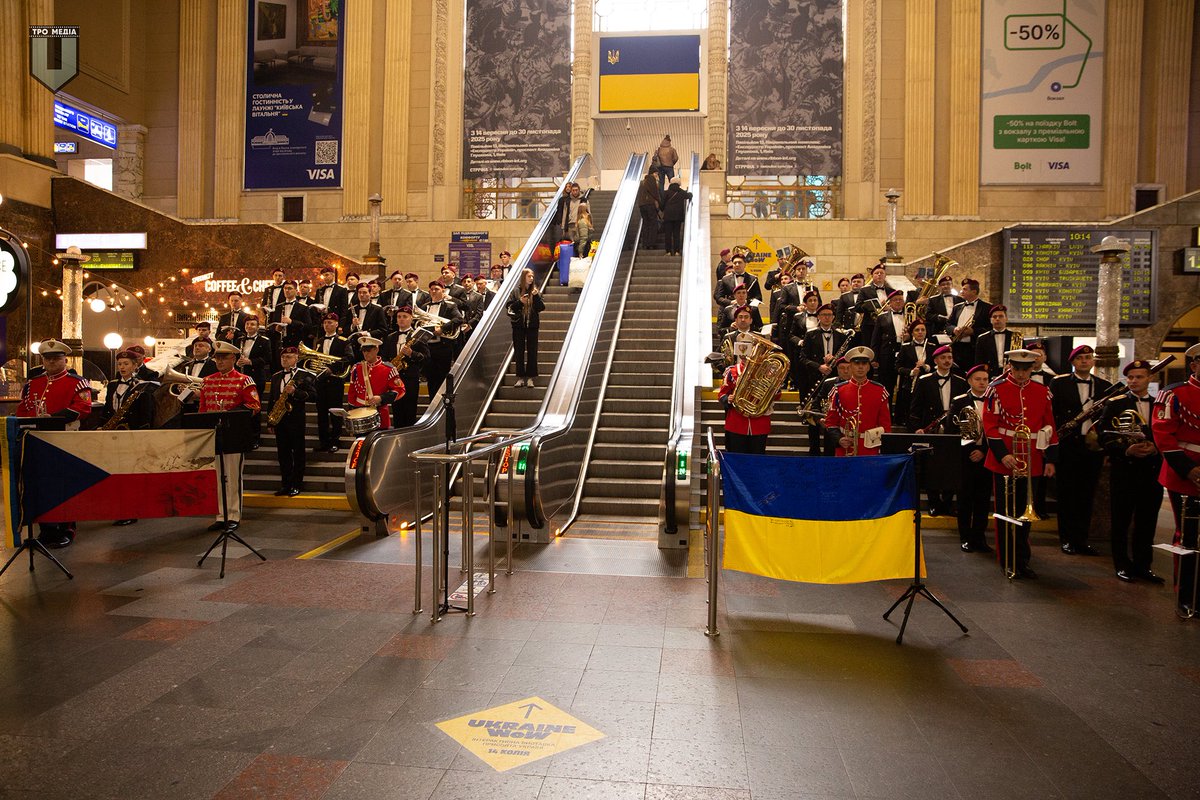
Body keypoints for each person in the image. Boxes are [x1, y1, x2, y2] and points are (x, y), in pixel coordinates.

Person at [983, 349, 1057, 579]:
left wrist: (1051, 459)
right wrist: (1002, 454)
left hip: (1032, 458)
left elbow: (1049, 426)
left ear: (1032, 369)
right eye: (1017, 369)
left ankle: (1022, 559)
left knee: (1025, 514)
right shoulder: (996, 390)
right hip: (1005, 458)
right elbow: (990, 426)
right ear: (1010, 367)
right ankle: (1006, 559)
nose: (1022, 374)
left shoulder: (1042, 391)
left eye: (1026, 369)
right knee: (1006, 512)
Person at [15, 340, 93, 548]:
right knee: (39, 485)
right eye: (47, 358)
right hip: (35, 441)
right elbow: (23, 409)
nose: (51, 361)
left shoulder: (78, 382)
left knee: (63, 485)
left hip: (62, 441)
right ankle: (45, 529)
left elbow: (83, 409)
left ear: (65, 360)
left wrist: (52, 418)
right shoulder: (33, 383)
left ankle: (65, 529)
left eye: (56, 358)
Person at [1098, 360, 1164, 583]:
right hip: (1125, 470)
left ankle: (1144, 566)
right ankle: (1121, 564)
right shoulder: (1116, 404)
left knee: (1147, 521)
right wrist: (1127, 449)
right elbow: (1104, 437)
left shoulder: (1159, 404)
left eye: (1139, 377)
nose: (1134, 381)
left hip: (1152, 471)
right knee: (1121, 520)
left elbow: (1166, 434)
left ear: (1149, 379)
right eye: (1131, 377)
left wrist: (1156, 446)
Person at [1050, 344, 1112, 555]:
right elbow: (1053, 414)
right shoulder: (1059, 384)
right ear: (1073, 362)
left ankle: (1082, 539)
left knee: (1087, 495)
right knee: (1067, 495)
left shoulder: (1104, 386)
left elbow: (1107, 420)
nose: (1085, 361)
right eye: (1080, 358)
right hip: (1068, 446)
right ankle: (1067, 539)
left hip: (1092, 447)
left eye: (1088, 357)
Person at [1152, 342, 1200, 617]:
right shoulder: (1174, 394)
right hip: (1184, 473)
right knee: (1188, 536)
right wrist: (1189, 469)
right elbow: (1163, 435)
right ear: (1194, 364)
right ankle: (1186, 594)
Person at [200, 340, 262, 534]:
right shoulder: (207, 381)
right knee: (217, 477)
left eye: (224, 357)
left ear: (234, 359)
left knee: (233, 477)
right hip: (214, 435)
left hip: (234, 435)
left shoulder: (244, 380)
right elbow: (203, 409)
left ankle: (233, 515)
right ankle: (220, 515)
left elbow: (254, 406)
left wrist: (231, 415)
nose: (219, 361)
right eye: (217, 357)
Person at [910, 346, 967, 516]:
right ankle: (934, 502)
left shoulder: (961, 382)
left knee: (951, 466)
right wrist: (917, 428)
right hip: (931, 428)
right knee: (931, 466)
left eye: (949, 357)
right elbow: (915, 408)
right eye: (943, 358)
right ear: (935, 361)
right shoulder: (924, 380)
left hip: (952, 431)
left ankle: (948, 503)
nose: (947, 360)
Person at [950, 364, 993, 553]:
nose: (982, 383)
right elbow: (953, 431)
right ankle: (965, 537)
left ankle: (980, 537)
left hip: (988, 456)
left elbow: (997, 429)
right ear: (969, 381)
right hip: (965, 458)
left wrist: (983, 450)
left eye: (985, 379)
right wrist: (970, 450)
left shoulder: (994, 401)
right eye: (978, 379)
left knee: (983, 501)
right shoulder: (959, 402)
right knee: (965, 500)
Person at [823, 346, 891, 456]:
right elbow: (830, 422)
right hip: (845, 449)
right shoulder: (838, 390)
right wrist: (839, 439)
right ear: (850, 366)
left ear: (868, 367)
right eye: (856, 363)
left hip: (871, 450)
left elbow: (886, 426)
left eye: (864, 364)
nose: (860, 367)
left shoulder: (880, 391)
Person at [266, 347, 315, 497]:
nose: (285, 359)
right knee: (283, 454)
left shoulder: (305, 375)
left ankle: (296, 484)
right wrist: (270, 421)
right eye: (283, 357)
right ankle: (286, 484)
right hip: (280, 420)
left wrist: (296, 392)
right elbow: (271, 400)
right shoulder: (276, 376)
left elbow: (313, 396)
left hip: (296, 419)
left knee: (298, 453)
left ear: (296, 358)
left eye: (289, 357)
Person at [718, 334, 776, 454]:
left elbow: (777, 395)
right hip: (736, 422)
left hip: (759, 422)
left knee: (757, 458)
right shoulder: (731, 371)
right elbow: (722, 394)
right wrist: (728, 398)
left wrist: (769, 387)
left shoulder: (767, 371)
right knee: (736, 456)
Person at [382, 306, 430, 427]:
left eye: (405, 317)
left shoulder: (417, 336)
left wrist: (411, 353)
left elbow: (426, 358)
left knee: (410, 410)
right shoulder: (390, 337)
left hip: (411, 378)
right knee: (397, 411)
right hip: (395, 379)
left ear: (411, 318)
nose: (401, 319)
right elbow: (385, 357)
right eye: (399, 317)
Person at [310, 312, 351, 453]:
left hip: (335, 381)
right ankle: (323, 442)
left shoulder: (343, 341)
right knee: (321, 414)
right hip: (320, 383)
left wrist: (331, 368)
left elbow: (349, 357)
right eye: (325, 323)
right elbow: (316, 358)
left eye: (330, 322)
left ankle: (335, 441)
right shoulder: (319, 341)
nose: (327, 325)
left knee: (335, 413)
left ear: (336, 324)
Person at [347, 337, 404, 429]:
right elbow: (352, 392)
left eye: (368, 350)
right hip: (359, 413)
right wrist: (352, 412)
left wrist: (381, 398)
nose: (365, 353)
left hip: (379, 413)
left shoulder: (388, 369)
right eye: (363, 351)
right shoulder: (357, 368)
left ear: (376, 349)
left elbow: (400, 390)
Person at [419, 280, 463, 396]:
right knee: (430, 378)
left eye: (437, 289)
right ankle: (432, 404)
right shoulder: (424, 307)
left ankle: (443, 405)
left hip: (443, 347)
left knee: (442, 377)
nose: (434, 291)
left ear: (443, 291)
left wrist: (442, 329)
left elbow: (459, 319)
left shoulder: (450, 305)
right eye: (432, 289)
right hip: (428, 348)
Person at [237, 315, 273, 449]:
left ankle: (255, 438)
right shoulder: (239, 339)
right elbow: (234, 355)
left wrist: (250, 362)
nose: (249, 327)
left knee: (254, 409)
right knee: (240, 407)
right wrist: (236, 362)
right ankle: (242, 437)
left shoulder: (264, 340)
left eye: (252, 324)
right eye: (247, 324)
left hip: (256, 378)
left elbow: (268, 359)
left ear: (258, 327)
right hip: (240, 377)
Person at [508, 267, 545, 388]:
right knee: (519, 352)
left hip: (532, 326)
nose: (531, 278)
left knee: (532, 351)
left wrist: (537, 297)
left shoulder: (536, 291)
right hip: (518, 325)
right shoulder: (515, 291)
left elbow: (541, 308)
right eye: (529, 276)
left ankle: (530, 378)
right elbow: (509, 306)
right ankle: (520, 377)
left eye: (533, 276)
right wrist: (520, 302)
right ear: (524, 277)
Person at [869, 290, 908, 400]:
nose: (898, 302)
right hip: (887, 355)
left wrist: (909, 337)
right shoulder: (882, 317)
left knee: (903, 386)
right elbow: (875, 339)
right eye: (895, 300)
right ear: (889, 303)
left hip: (904, 352)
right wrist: (874, 358)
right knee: (886, 385)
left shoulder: (910, 315)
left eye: (900, 299)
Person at [894, 321, 933, 424]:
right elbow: (898, 367)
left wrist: (926, 366)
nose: (920, 332)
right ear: (912, 333)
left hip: (928, 384)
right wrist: (911, 372)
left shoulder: (932, 347)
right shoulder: (906, 347)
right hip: (910, 384)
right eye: (917, 330)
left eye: (923, 330)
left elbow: (935, 366)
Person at [947, 278, 991, 367]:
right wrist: (954, 329)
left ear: (974, 292)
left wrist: (973, 331)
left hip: (974, 348)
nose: (961, 291)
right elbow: (947, 325)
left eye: (965, 289)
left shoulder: (987, 308)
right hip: (957, 347)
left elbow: (990, 329)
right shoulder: (957, 307)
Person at [974, 305, 1018, 376]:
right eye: (994, 317)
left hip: (1012, 374)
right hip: (989, 375)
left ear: (1006, 319)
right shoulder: (982, 338)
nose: (997, 319)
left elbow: (1020, 359)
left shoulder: (1016, 337)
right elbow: (979, 362)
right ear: (990, 320)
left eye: (1001, 316)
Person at [661, 177, 692, 256]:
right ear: (679, 183)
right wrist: (691, 193)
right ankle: (677, 251)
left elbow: (662, 204)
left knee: (668, 234)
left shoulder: (667, 192)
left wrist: (662, 210)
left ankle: (668, 251)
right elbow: (689, 196)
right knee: (676, 234)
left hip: (668, 216)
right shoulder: (681, 192)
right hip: (678, 216)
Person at [637, 171, 660, 251]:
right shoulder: (651, 180)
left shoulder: (643, 182)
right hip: (650, 204)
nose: (657, 175)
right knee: (653, 224)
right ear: (653, 173)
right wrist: (658, 201)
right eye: (656, 173)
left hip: (642, 205)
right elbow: (655, 193)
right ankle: (651, 244)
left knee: (646, 223)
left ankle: (645, 244)